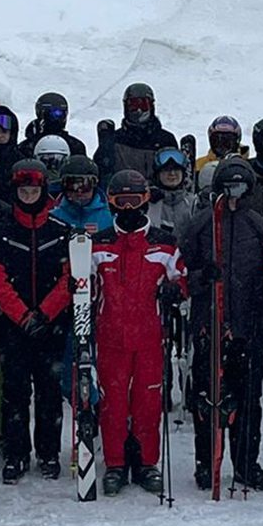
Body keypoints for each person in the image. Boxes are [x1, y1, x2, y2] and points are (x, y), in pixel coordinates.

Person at [177, 156, 263, 492]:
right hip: (209, 324)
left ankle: (246, 462)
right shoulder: (200, 225)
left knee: (247, 400)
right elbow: (181, 273)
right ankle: (206, 462)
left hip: (246, 326)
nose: (234, 195)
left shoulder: (259, 227)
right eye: (228, 188)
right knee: (206, 399)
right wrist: (201, 278)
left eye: (240, 188)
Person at [0, 156, 75, 483]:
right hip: (13, 326)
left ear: (43, 190)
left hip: (51, 324)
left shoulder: (60, 231)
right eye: (23, 190)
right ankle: (15, 453)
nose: (29, 196)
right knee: (14, 392)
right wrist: (22, 316)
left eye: (34, 190)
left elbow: (70, 278)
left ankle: (48, 453)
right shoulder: (1, 232)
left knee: (49, 392)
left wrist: (46, 313)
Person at [90, 171, 181, 496]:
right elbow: (82, 287)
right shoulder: (99, 244)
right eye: (121, 202)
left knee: (148, 401)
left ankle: (146, 463)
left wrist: (175, 290)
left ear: (145, 201)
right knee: (113, 403)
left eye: (134, 201)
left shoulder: (164, 242)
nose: (128, 209)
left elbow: (180, 278)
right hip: (111, 337)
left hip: (149, 338)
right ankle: (115, 463)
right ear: (111, 204)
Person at [95, 82, 173, 178]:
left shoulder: (165, 140)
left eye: (144, 105)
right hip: (121, 187)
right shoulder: (115, 140)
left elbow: (174, 174)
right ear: (125, 107)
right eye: (134, 105)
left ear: (151, 106)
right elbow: (100, 172)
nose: (139, 110)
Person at [50, 155, 111, 235]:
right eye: (72, 185)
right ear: (63, 186)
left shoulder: (110, 219)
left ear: (94, 185)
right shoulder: (52, 219)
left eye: (86, 185)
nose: (79, 191)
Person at [147, 147, 197, 244]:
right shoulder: (148, 204)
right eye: (166, 170)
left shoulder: (194, 203)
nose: (172, 173)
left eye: (176, 169)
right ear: (157, 174)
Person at [22, 91, 84, 156]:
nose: (55, 118)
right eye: (51, 113)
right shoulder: (26, 147)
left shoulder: (75, 147)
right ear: (40, 113)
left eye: (59, 113)